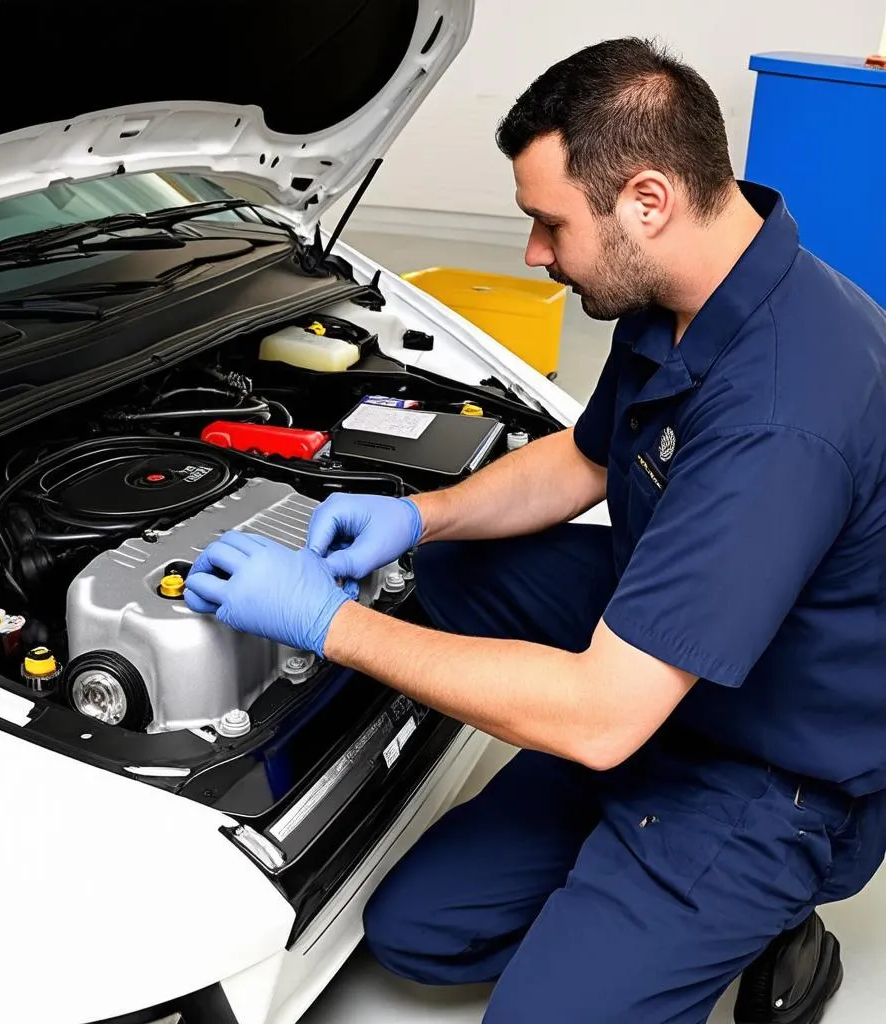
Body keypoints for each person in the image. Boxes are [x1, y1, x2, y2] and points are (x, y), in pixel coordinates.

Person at [183, 37, 886, 1024]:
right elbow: (586, 457)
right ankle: (618, 843)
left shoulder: (782, 412)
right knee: (417, 934)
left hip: (771, 774)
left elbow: (602, 713)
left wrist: (327, 626)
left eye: (547, 224)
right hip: (675, 676)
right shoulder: (689, 287)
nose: (534, 254)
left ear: (647, 201)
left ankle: (758, 909)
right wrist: (415, 516)